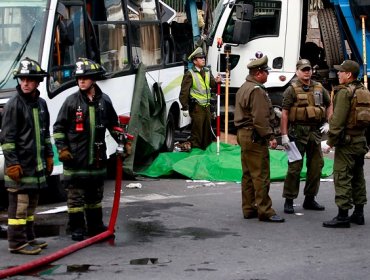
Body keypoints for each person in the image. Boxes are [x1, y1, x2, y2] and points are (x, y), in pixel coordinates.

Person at [53, 58, 119, 241]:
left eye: (85, 77)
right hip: (75, 159)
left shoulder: (104, 101)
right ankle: (77, 228)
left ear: (94, 79)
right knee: (75, 198)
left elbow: (114, 126)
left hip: (96, 159)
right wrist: (63, 149)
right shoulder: (71, 102)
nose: (81, 81)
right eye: (79, 78)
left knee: (94, 197)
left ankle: (95, 226)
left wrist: (124, 143)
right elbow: (58, 128)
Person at [1, 57, 53, 255]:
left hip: (35, 166)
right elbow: (7, 139)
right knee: (19, 207)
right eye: (22, 79)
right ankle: (16, 242)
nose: (25, 83)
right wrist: (13, 164)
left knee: (31, 205)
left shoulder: (41, 104)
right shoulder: (13, 105)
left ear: (37, 82)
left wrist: (49, 156)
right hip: (20, 168)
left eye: (29, 80)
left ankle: (29, 238)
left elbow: (45, 134)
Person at [234, 55, 285, 223]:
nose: (267, 75)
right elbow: (260, 118)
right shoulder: (257, 91)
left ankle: (248, 208)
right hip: (254, 135)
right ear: (258, 73)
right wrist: (270, 136)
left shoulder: (244, 87)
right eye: (265, 72)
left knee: (248, 174)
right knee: (261, 174)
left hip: (244, 134)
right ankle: (265, 210)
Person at [280, 59, 331, 214]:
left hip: (314, 134)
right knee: (294, 168)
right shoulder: (291, 90)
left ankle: (310, 199)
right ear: (297, 72)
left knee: (316, 167)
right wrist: (284, 135)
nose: (307, 72)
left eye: (308, 69)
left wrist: (328, 121)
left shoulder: (319, 88)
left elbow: (329, 104)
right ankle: (289, 200)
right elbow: (285, 113)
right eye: (304, 69)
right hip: (297, 134)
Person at [323, 60, 369, 228]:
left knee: (342, 176)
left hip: (347, 143)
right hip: (360, 141)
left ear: (348, 74)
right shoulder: (363, 91)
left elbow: (338, 121)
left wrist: (330, 142)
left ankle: (343, 216)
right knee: (358, 177)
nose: (338, 74)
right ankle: (359, 213)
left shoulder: (344, 92)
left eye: (341, 71)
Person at [179, 47, 221, 150]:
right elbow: (184, 92)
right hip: (197, 107)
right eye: (200, 58)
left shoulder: (207, 71)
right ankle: (196, 154)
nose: (203, 59)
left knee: (207, 132)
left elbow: (212, 84)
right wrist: (185, 107)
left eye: (203, 57)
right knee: (197, 132)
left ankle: (205, 152)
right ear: (194, 61)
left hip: (207, 106)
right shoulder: (190, 74)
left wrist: (217, 81)